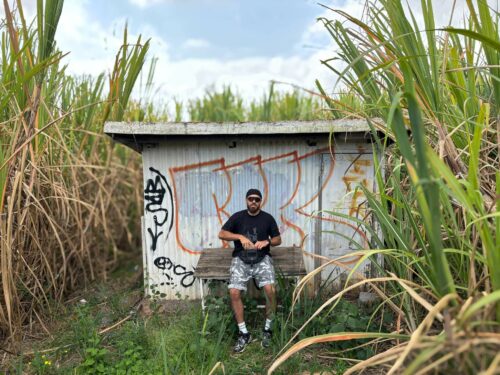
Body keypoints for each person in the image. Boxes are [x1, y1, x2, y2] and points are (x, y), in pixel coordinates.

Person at [218, 188, 282, 353]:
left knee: (270, 290)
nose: (253, 202)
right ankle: (243, 333)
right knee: (233, 292)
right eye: (251, 199)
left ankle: (268, 329)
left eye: (257, 199)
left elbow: (278, 239)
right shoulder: (238, 217)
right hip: (241, 258)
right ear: (246, 200)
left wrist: (267, 241)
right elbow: (222, 233)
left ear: (261, 201)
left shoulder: (267, 218)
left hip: (262, 258)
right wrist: (240, 237)